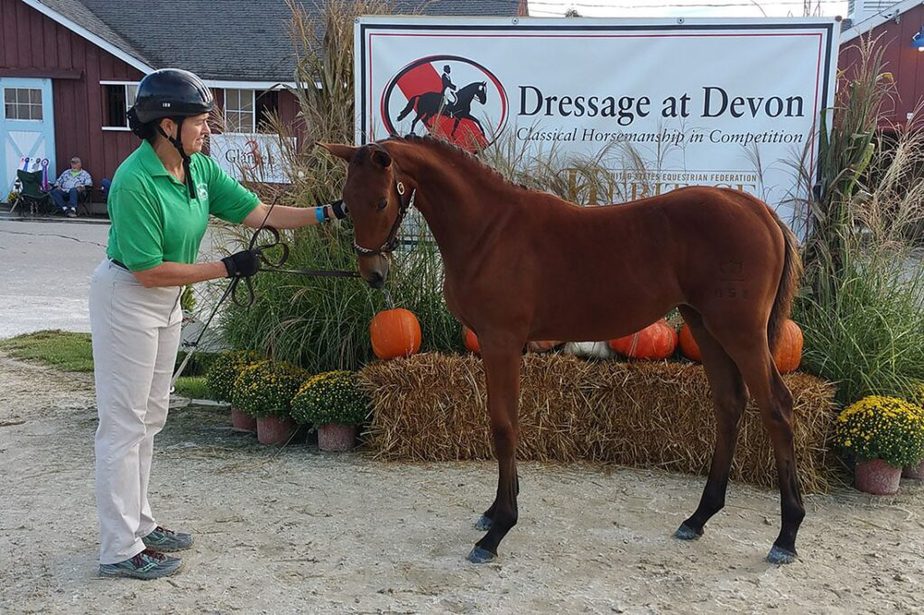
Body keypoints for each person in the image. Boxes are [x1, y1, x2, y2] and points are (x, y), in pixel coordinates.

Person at [89, 68, 346, 580]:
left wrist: (331, 212)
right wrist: (224, 268)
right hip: (129, 297)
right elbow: (146, 268)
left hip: (164, 301)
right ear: (168, 125)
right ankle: (119, 547)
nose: (208, 130)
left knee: (151, 418)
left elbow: (259, 213)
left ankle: (140, 522)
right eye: (201, 121)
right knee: (123, 424)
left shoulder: (199, 171)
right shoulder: (135, 181)